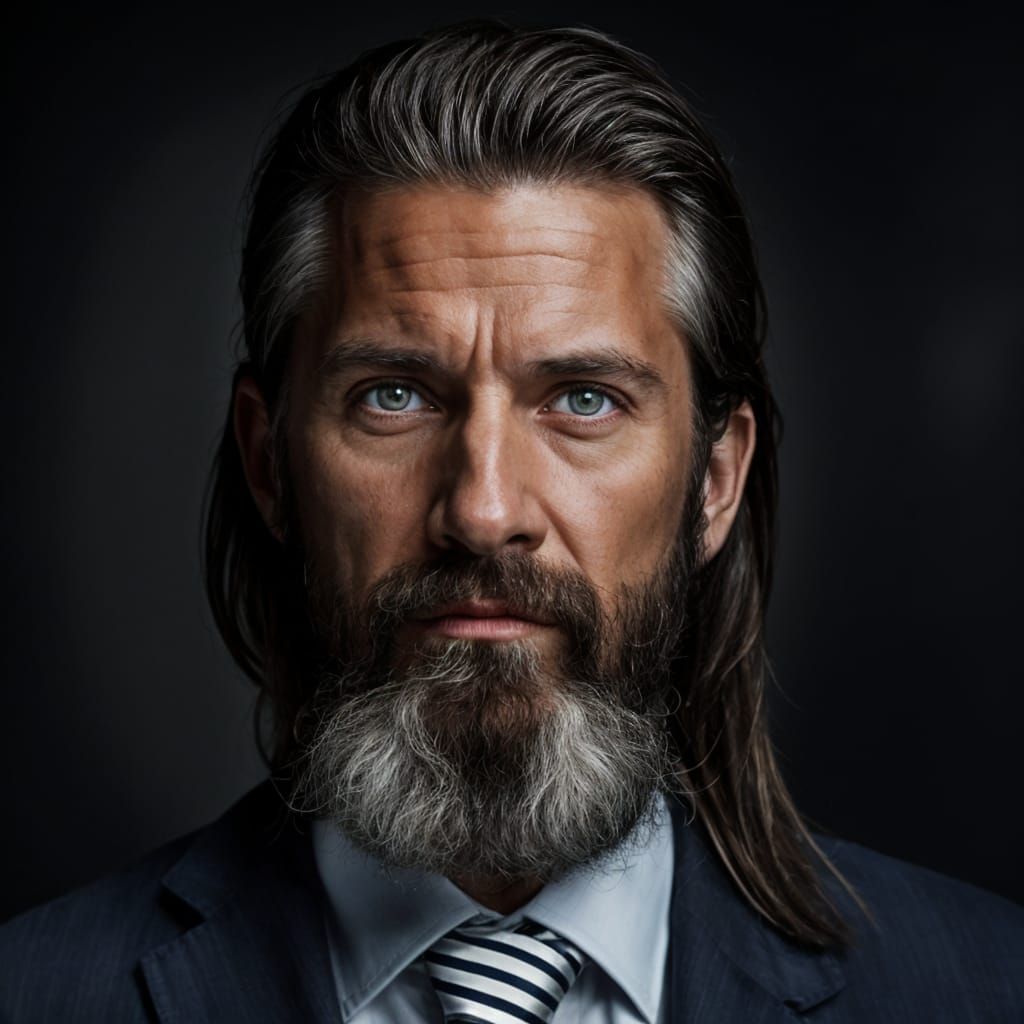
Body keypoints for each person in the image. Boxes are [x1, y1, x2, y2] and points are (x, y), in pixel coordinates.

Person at [2, 20, 1021, 1024]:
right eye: (393, 396)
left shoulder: (984, 989)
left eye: (582, 398)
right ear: (270, 463)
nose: (483, 511)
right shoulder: (38, 993)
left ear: (714, 478)